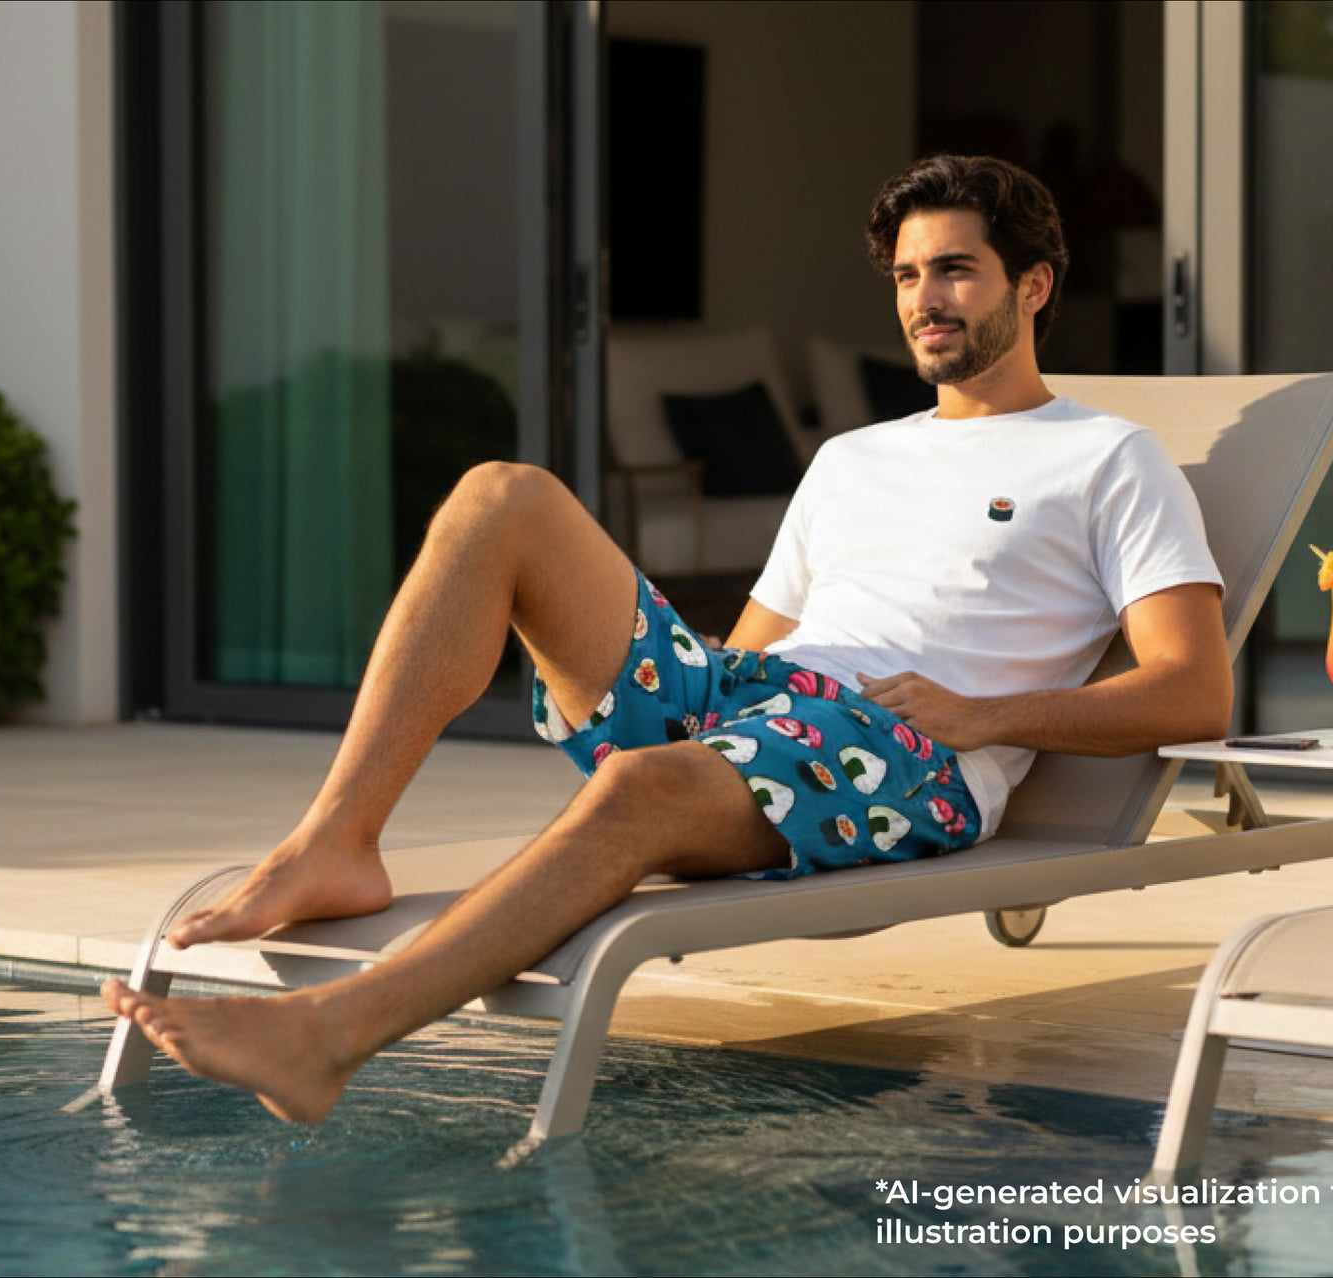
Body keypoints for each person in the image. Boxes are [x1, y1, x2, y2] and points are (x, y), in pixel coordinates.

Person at [102, 155, 1233, 1124]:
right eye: (903, 275)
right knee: (503, 495)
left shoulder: (1106, 460)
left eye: (952, 270)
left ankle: (328, 1034)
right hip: (768, 703)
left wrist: (983, 716)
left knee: (643, 786)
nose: (921, 299)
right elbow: (752, 649)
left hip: (905, 755)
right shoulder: (852, 458)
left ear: (1031, 285)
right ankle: (335, 840)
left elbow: (1192, 694)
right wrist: (674, 682)